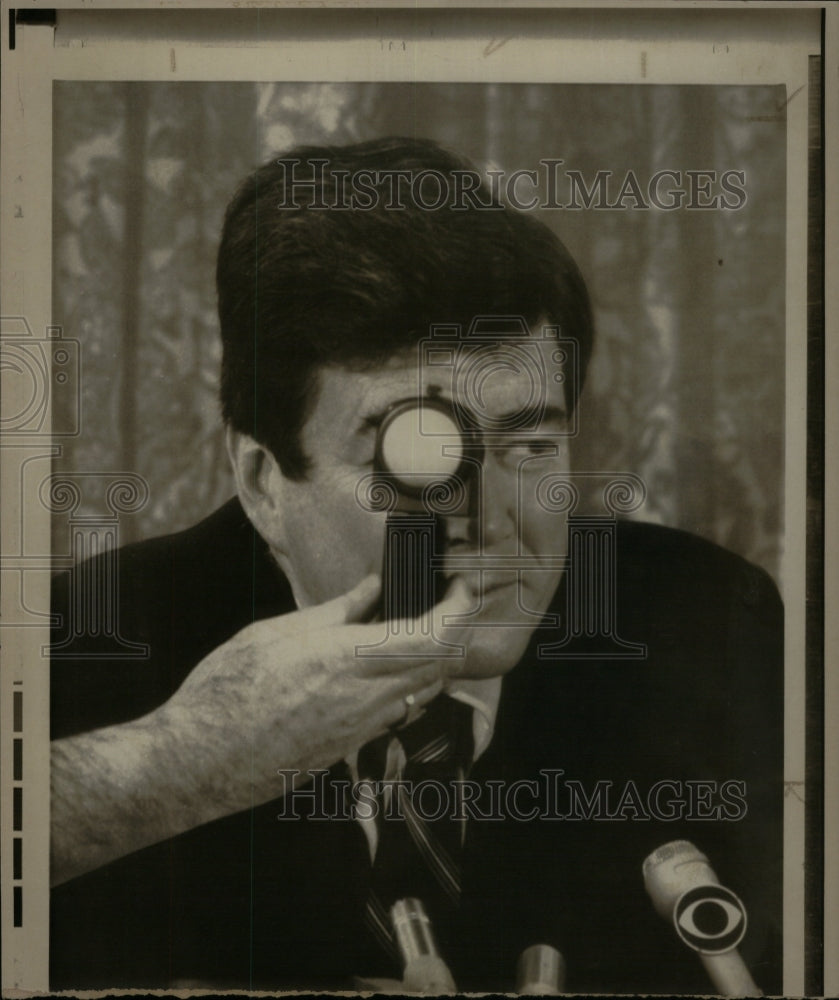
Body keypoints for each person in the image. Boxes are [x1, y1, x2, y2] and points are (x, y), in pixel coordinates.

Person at [49, 137, 783, 994]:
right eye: (416, 462)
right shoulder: (81, 649)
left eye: (532, 444)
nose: (493, 518)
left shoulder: (705, 622)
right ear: (260, 482)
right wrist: (178, 763)